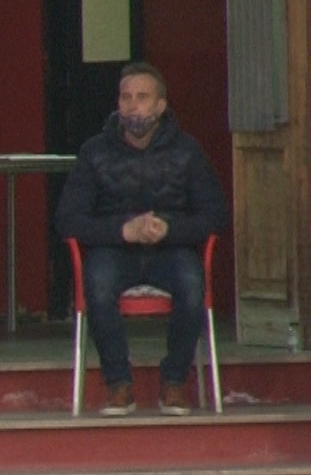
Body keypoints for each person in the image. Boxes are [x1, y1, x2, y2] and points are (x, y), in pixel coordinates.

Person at [54, 62, 230, 416]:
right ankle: (118, 384)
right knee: (97, 283)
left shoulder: (187, 151)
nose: (132, 106)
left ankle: (174, 382)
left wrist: (169, 228)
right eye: (126, 97)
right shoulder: (94, 152)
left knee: (191, 282)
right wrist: (123, 230)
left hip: (171, 250)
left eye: (142, 97)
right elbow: (67, 220)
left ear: (160, 105)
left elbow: (216, 215)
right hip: (114, 250)